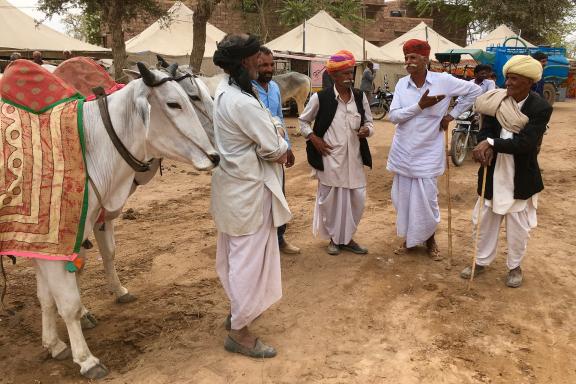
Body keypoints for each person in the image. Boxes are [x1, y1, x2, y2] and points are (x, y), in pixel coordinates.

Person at [211, 33, 291, 358]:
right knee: (247, 263)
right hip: (248, 194)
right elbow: (273, 147)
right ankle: (240, 334)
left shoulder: (226, 91)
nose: (262, 62)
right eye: (258, 57)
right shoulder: (241, 101)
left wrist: (274, 131)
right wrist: (284, 146)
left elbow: (267, 126)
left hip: (233, 191)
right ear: (245, 61)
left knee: (236, 258)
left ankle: (237, 313)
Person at [461, 55, 552, 288]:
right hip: (493, 171)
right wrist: (484, 145)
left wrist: (492, 145)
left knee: (518, 227)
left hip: (520, 173)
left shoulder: (540, 107)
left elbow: (527, 144)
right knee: (484, 221)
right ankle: (480, 261)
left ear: (529, 82)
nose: (508, 83)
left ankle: (515, 266)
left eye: (514, 79)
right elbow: (485, 131)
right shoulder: (496, 100)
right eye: (507, 78)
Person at [387, 39, 482, 259]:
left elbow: (474, 91)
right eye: (406, 57)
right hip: (403, 150)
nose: (408, 62)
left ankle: (430, 240)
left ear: (426, 60)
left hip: (428, 151)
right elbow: (393, 116)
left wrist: (451, 115)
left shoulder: (443, 81)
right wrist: (420, 106)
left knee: (428, 200)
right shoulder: (402, 84)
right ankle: (410, 239)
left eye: (413, 57)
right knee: (403, 199)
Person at [299, 50, 373, 255]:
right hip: (330, 160)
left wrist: (367, 130)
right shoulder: (320, 98)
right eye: (345, 74)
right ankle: (335, 239)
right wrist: (314, 139)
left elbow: (370, 122)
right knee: (331, 203)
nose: (350, 77)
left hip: (355, 160)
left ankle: (347, 238)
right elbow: (303, 122)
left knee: (356, 200)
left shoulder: (359, 97)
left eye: (351, 73)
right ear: (333, 76)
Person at [252, 46, 301, 254]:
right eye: (263, 64)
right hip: (258, 155)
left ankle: (280, 239)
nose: (268, 68)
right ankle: (260, 244)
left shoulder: (273, 88)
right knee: (260, 201)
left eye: (271, 64)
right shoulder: (248, 90)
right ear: (253, 65)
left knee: (280, 197)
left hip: (278, 154)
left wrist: (288, 148)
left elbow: (279, 118)